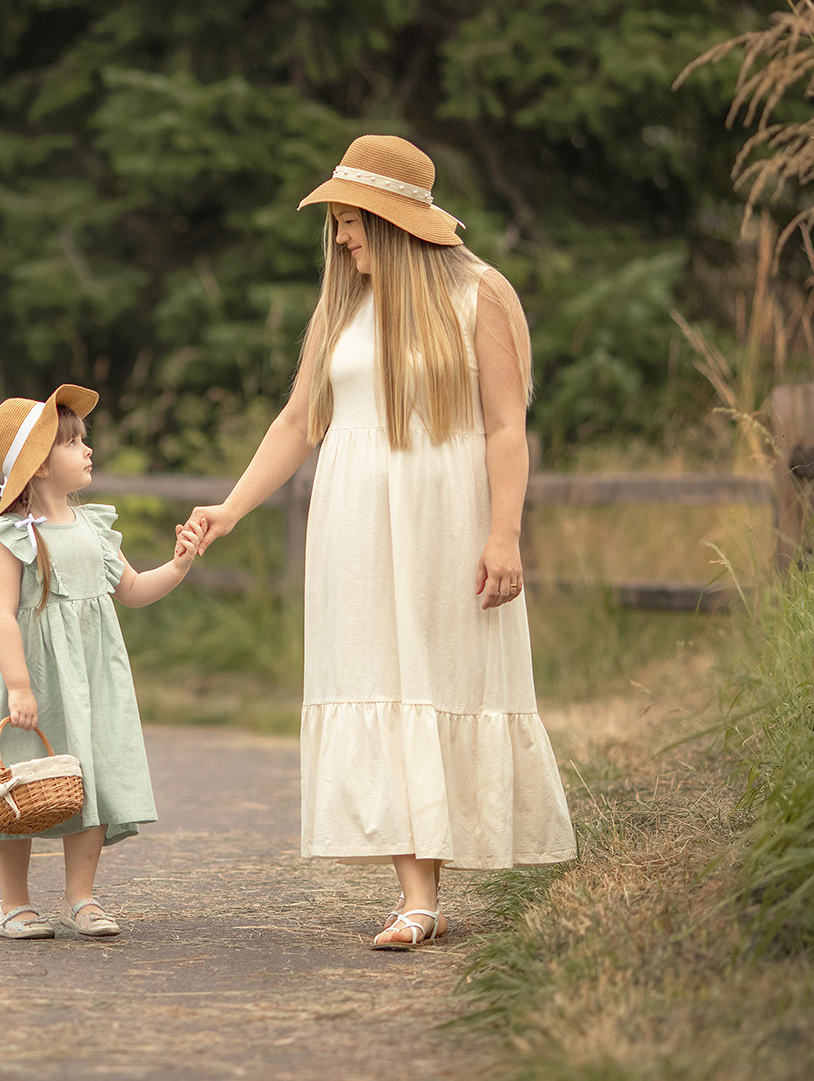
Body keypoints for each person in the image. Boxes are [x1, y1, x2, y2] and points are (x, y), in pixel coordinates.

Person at [185, 136, 576, 949]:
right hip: (355, 522)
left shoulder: (480, 294)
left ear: (393, 220)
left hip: (447, 517)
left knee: (437, 675)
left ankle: (430, 882)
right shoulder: (342, 305)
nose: (340, 237)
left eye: (350, 220)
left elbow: (507, 427)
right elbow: (299, 423)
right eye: (336, 222)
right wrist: (230, 508)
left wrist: (505, 533)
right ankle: (417, 896)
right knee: (378, 676)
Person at [0, 384, 202, 940]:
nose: (88, 449)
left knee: (92, 773)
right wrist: (17, 686)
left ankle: (81, 897)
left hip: (90, 677)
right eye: (73, 443)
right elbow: (2, 616)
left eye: (85, 439)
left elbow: (130, 589)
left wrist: (177, 567)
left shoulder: (94, 526)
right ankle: (14, 903)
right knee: (17, 784)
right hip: (31, 676)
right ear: (37, 467)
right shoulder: (8, 536)